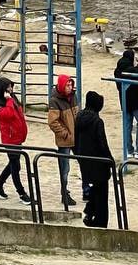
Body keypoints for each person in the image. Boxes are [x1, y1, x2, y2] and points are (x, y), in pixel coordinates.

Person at [74, 91, 114, 228]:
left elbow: (75, 140)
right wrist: (110, 160)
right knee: (101, 194)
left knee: (93, 190)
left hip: (85, 161)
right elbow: (102, 143)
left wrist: (79, 155)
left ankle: (90, 213)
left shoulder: (79, 117)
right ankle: (100, 221)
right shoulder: (97, 121)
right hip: (99, 163)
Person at [0, 76, 30, 203]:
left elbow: (19, 113)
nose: (11, 89)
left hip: (17, 137)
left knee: (13, 164)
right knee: (15, 166)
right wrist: (8, 100)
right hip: (9, 139)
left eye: (11, 86)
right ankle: (21, 193)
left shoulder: (13, 98)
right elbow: (8, 114)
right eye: (8, 87)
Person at [46, 73, 81, 209]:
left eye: (71, 85)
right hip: (65, 140)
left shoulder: (73, 97)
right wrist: (65, 134)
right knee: (65, 169)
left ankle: (86, 190)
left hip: (77, 137)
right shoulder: (55, 101)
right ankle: (64, 193)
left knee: (84, 163)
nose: (70, 87)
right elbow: (53, 122)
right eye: (67, 85)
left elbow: (78, 114)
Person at [114, 47, 138, 159]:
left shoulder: (117, 70)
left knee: (127, 126)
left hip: (124, 101)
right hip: (136, 101)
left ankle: (129, 150)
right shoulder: (133, 70)